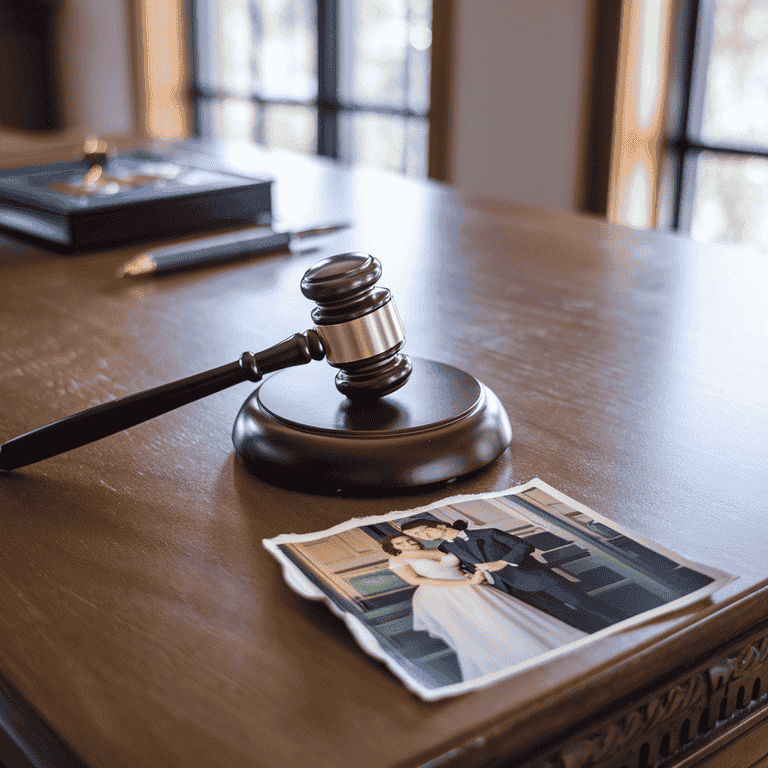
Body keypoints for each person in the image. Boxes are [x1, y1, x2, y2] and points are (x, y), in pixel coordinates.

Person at [381, 534, 587, 681]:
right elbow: (415, 580)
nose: (407, 541)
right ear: (393, 547)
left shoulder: (438, 549)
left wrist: (476, 576)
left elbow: (469, 564)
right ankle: (511, 664)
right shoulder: (398, 559)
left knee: (507, 618)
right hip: (443, 595)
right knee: (483, 627)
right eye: (399, 542)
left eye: (407, 538)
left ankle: (543, 649)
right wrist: (464, 584)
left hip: (473, 586)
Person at [398, 519, 617, 633]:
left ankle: (623, 624)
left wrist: (501, 562)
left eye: (422, 531)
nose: (422, 536)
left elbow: (524, 545)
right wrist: (475, 576)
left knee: (584, 603)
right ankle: (600, 637)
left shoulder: (487, 533)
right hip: (505, 589)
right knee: (559, 616)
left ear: (437, 525)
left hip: (536, 577)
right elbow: (465, 568)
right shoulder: (447, 548)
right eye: (416, 536)